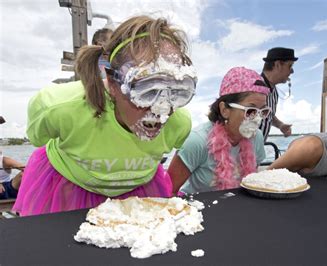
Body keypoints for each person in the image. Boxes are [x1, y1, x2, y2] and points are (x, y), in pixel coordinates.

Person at [13, 16, 197, 216]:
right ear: (111, 82)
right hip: (70, 187)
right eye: (146, 90)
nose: (162, 110)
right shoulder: (59, 108)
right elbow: (37, 138)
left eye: (177, 91)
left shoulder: (179, 123)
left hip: (139, 190)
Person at [168, 67, 269, 195]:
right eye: (251, 111)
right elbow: (168, 191)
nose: (258, 118)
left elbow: (251, 179)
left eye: (263, 111)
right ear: (224, 110)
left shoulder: (257, 137)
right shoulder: (197, 141)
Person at [259, 47, 298, 141]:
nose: (292, 71)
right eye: (290, 66)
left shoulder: (274, 92)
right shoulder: (254, 87)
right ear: (277, 65)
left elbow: (268, 114)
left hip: (256, 153)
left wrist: (280, 125)